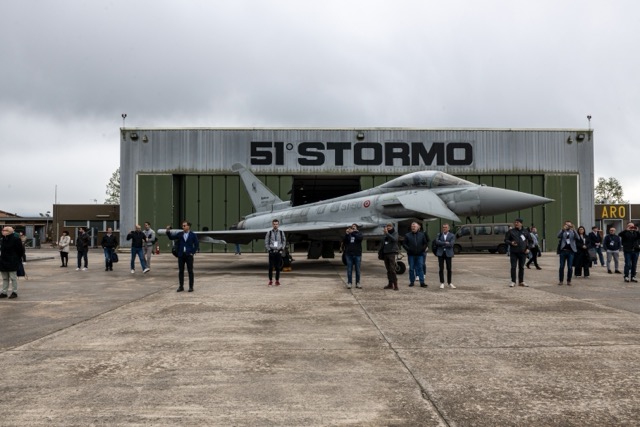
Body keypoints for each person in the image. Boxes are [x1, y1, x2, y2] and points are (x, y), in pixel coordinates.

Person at [166, 221, 199, 292]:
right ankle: (181, 286)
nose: (183, 227)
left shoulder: (193, 235)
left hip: (189, 255)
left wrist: (192, 252)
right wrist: (168, 231)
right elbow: (171, 237)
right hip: (181, 255)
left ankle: (191, 287)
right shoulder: (180, 234)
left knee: (190, 271)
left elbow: (196, 245)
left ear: (188, 226)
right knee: (181, 271)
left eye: (184, 226)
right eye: (182, 226)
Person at [505, 218, 532, 287]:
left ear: (521, 224)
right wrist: (511, 243)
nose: (516, 223)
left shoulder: (525, 231)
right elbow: (506, 240)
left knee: (521, 267)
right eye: (515, 222)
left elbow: (530, 241)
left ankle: (521, 281)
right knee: (513, 267)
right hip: (514, 252)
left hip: (523, 252)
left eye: (517, 222)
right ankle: (513, 281)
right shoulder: (511, 231)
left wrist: (528, 248)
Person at [402, 221, 429, 288]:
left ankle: (422, 282)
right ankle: (412, 282)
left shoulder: (422, 235)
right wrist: (409, 249)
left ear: (417, 227)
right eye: (412, 226)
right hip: (411, 255)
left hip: (420, 255)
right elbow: (404, 244)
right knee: (411, 268)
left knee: (420, 268)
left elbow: (425, 243)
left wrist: (422, 250)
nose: (413, 227)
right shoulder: (407, 235)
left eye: (414, 226)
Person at [0, 226, 24, 299]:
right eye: (2, 230)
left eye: (4, 230)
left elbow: (21, 251)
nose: (2, 231)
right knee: (5, 278)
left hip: (12, 261)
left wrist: (16, 258)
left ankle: (14, 292)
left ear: (9, 232)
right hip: (3, 261)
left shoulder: (16, 239)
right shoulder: (2, 239)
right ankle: (4, 292)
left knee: (13, 278)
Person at [265, 219, 286, 286]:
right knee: (270, 267)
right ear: (272, 224)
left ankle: (277, 281)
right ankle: (270, 281)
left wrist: (282, 249)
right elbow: (266, 242)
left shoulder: (281, 232)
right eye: (274, 224)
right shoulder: (269, 233)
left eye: (276, 224)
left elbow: (284, 241)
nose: (275, 225)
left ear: (278, 225)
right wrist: (269, 250)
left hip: (278, 252)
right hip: (272, 252)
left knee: (277, 267)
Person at [434, 223, 456, 289]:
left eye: (446, 227)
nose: (444, 228)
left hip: (448, 253)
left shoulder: (452, 235)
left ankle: (449, 282)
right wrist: (445, 243)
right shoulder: (439, 234)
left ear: (448, 228)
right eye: (443, 227)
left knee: (449, 268)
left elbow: (451, 244)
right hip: (440, 253)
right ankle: (442, 282)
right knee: (441, 268)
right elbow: (437, 242)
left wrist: (442, 243)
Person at [557, 220, 577, 286]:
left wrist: (574, 230)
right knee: (561, 266)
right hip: (563, 251)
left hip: (571, 251)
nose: (568, 226)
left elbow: (577, 237)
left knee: (570, 267)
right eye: (567, 225)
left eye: (569, 225)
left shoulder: (572, 231)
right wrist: (563, 230)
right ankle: (561, 280)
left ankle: (569, 280)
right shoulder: (563, 231)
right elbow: (558, 236)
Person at [343, 223, 363, 289]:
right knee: (349, 270)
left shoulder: (359, 233)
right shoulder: (349, 235)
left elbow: (359, 239)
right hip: (349, 255)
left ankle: (358, 283)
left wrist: (353, 233)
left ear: (356, 228)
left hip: (357, 254)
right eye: (352, 227)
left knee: (357, 270)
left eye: (354, 226)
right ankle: (349, 283)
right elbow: (345, 241)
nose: (353, 227)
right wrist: (346, 234)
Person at [380, 223, 399, 290]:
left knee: (392, 269)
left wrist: (387, 234)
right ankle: (390, 284)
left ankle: (395, 285)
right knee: (388, 270)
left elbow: (394, 239)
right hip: (385, 253)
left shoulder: (395, 233)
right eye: (387, 226)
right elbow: (383, 243)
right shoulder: (385, 234)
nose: (388, 227)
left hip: (391, 253)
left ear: (392, 227)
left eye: (390, 226)